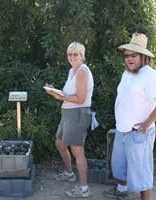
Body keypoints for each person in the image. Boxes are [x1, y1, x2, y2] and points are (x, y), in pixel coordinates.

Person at [103, 33, 156, 200]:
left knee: (142, 177)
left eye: (134, 55)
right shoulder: (127, 73)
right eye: (126, 55)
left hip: (138, 133)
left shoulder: (149, 75)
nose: (129, 58)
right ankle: (122, 192)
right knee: (120, 168)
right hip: (123, 131)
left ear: (143, 57)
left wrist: (148, 122)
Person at [45, 42, 94, 198]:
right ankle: (69, 173)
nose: (72, 57)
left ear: (82, 56)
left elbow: (80, 99)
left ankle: (84, 189)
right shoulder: (72, 71)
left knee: (77, 150)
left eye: (76, 54)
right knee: (60, 144)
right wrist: (55, 92)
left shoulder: (82, 71)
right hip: (68, 113)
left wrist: (60, 96)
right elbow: (69, 95)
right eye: (69, 54)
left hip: (78, 114)